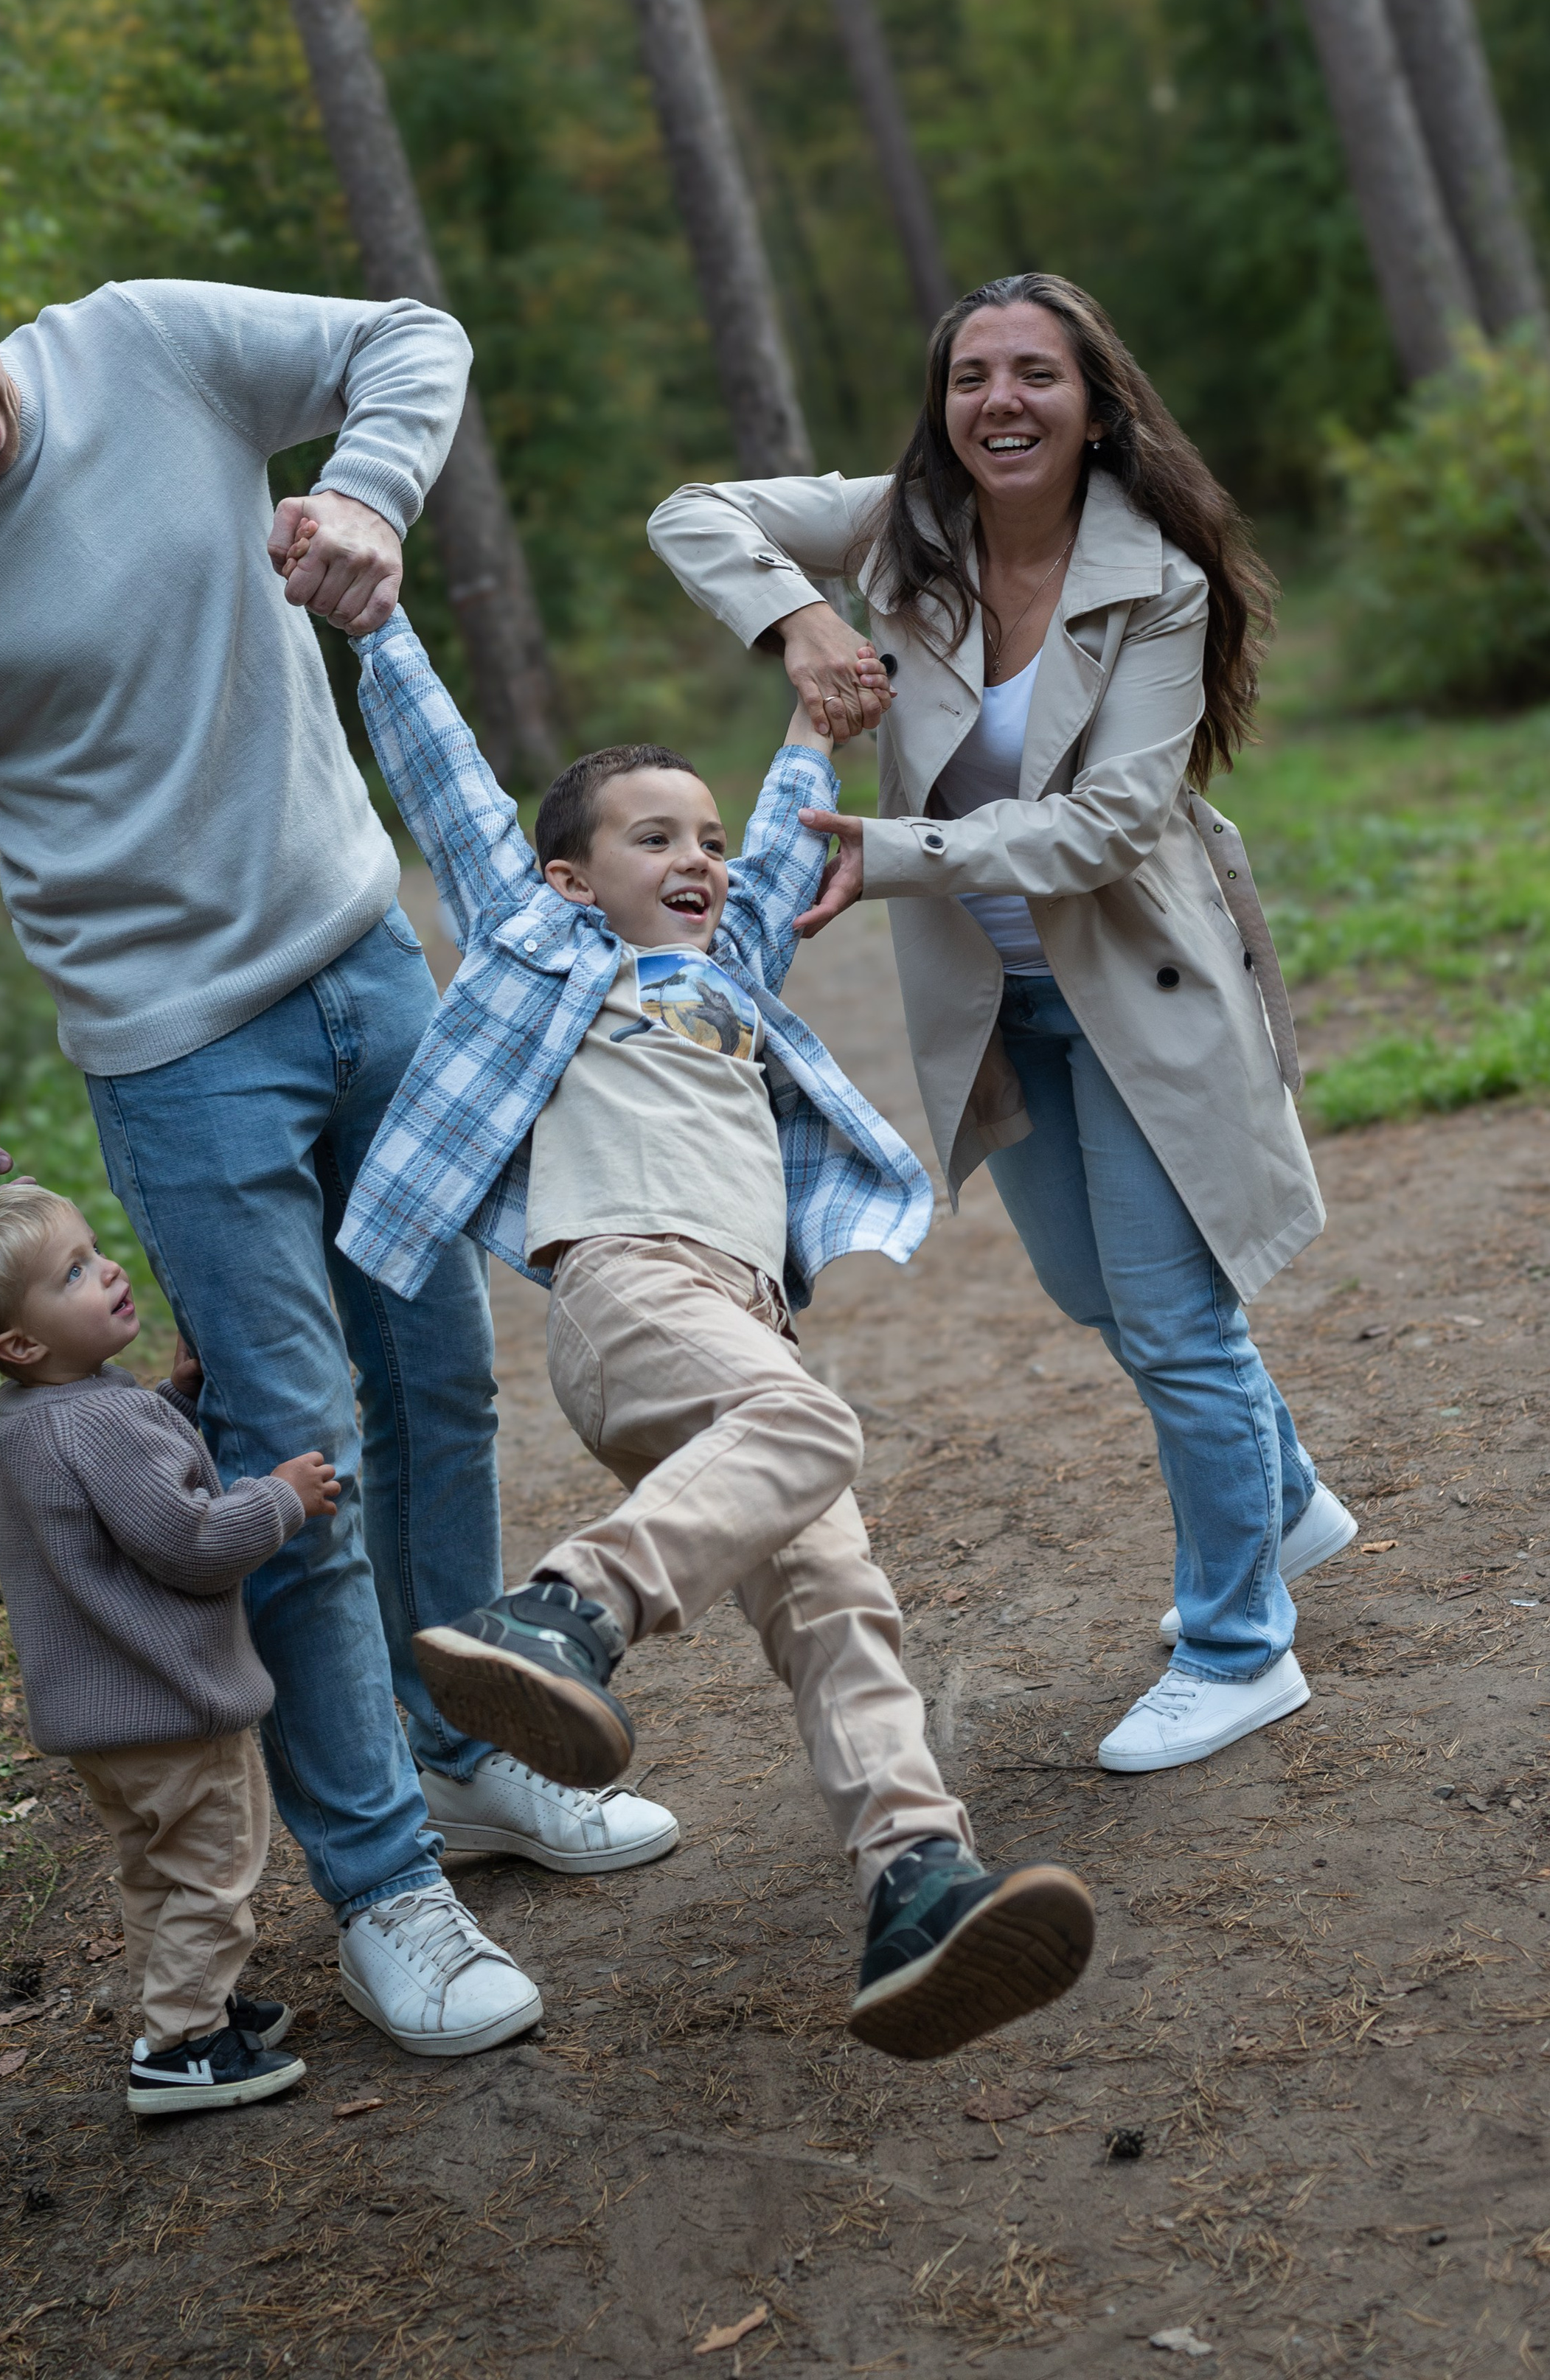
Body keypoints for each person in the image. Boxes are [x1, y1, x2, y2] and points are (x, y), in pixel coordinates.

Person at [0, 210, 676, 2061]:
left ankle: (469, 1750)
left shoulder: (146, 343)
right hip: (178, 1054)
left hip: (370, 959)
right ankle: (383, 1884)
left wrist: (368, 495)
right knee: (293, 1455)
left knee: (439, 1389)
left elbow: (412, 338)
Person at [308, 585, 1095, 2064]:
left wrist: (813, 722)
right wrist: (376, 623)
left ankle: (913, 1883)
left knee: (840, 1602)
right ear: (564, 875)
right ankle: (564, 1608)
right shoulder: (543, 949)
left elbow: (794, 823)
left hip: (733, 1331)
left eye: (710, 842)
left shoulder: (729, 980)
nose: (697, 860)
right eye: (654, 837)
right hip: (626, 1294)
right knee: (811, 1426)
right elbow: (442, 782)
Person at [649, 270, 1355, 1775]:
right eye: (971, 376)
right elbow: (690, 511)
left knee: (1173, 1322)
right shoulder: (904, 530)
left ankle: (1242, 1643)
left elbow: (1105, 824)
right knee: (1098, 1298)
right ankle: (1281, 1498)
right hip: (996, 1001)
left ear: (1095, 405)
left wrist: (886, 852)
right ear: (941, 404)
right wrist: (793, 621)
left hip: (1136, 990)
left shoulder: (1151, 577)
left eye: (1034, 373)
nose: (1000, 402)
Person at [0, 1179, 336, 2115]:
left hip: (105, 1717)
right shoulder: (95, 1420)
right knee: (215, 1867)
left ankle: (187, 2004)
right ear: (22, 1344)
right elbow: (189, 1543)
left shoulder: (38, 1414)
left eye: (94, 1249)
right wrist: (281, 1497)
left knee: (155, 1867)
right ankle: (184, 2046)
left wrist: (174, 1398)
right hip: (168, 1704)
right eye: (72, 1272)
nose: (106, 1268)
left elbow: (119, 1484)